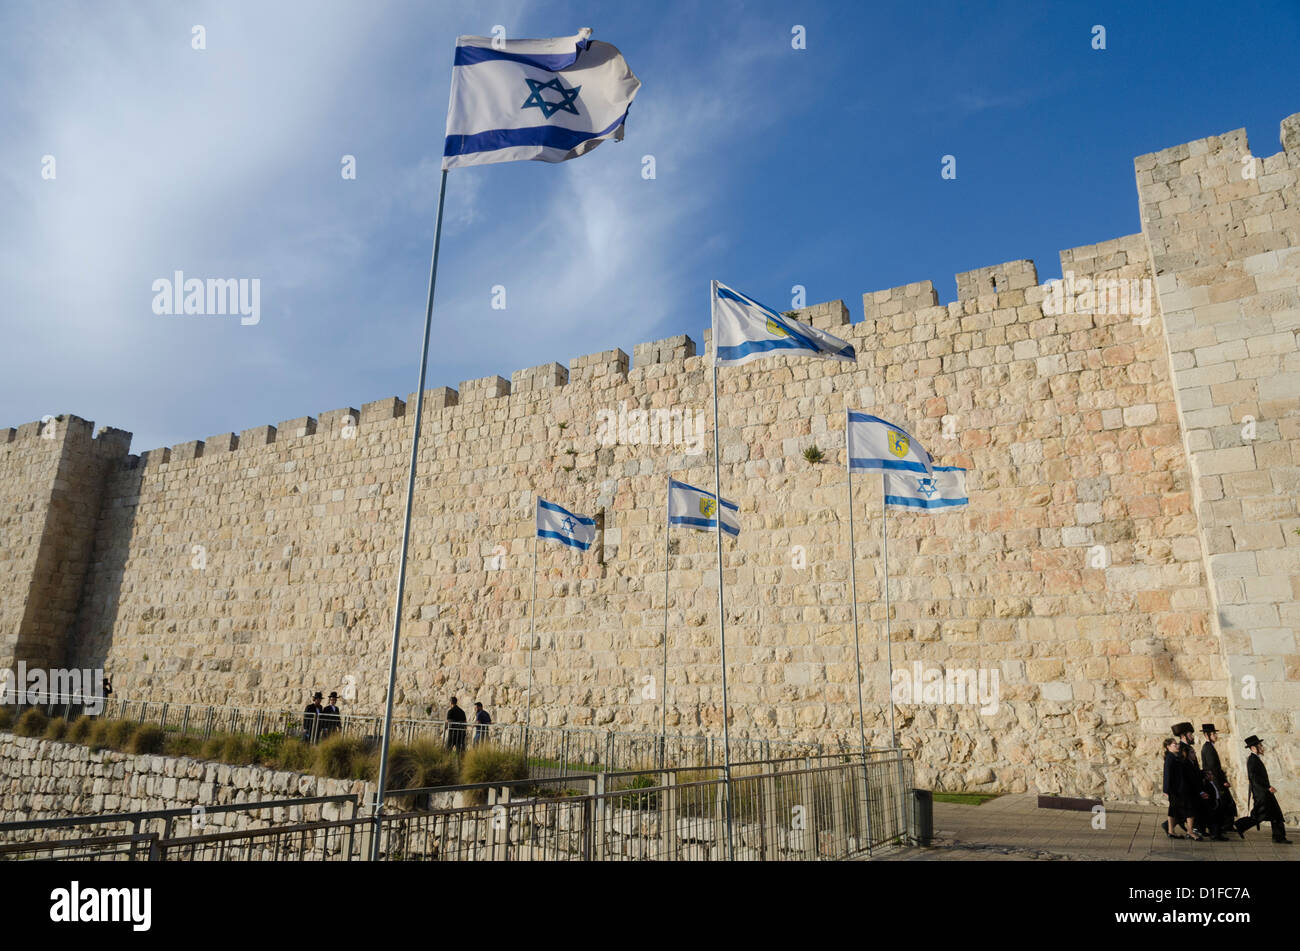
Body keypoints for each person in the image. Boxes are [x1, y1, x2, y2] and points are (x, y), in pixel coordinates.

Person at [1234, 735, 1292, 844]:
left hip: (1264, 793)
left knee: (1275, 814)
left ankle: (1279, 837)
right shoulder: (1252, 760)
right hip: (1262, 794)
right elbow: (1254, 778)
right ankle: (1240, 825)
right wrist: (1267, 787)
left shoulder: (1255, 759)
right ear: (1253, 748)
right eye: (1260, 745)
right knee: (1259, 815)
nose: (1262, 747)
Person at [1173, 722, 1210, 837]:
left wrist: (1202, 774)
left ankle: (1198, 828)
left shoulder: (1188, 747)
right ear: (1183, 736)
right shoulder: (1181, 749)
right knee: (1190, 809)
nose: (1192, 737)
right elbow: (1187, 772)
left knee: (1195, 808)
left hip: (1194, 784)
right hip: (1189, 786)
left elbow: (1194, 768)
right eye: (1190, 735)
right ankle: (1194, 829)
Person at [1200, 724, 1236, 840]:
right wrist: (1222, 782)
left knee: (1226, 803)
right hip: (1215, 781)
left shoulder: (1210, 747)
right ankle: (1219, 830)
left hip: (1216, 780)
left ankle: (1226, 826)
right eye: (1213, 734)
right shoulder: (1208, 748)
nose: (1216, 736)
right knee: (1220, 805)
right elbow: (1213, 768)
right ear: (1207, 735)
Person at [1162, 737, 1197, 839]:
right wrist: (1166, 790)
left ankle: (1171, 831)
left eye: (1177, 744)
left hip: (1179, 789)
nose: (1177, 746)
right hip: (1176, 790)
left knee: (1174, 810)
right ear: (1168, 747)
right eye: (1175, 744)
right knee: (1187, 809)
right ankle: (1189, 832)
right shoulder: (1170, 758)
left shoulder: (1175, 756)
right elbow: (1167, 774)